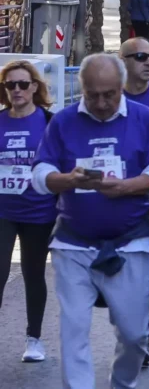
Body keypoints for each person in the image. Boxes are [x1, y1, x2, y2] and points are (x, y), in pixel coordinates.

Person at [31, 53, 149, 387]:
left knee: (135, 334)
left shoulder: (144, 117)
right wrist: (67, 180)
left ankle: (121, 383)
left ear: (122, 87)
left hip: (131, 243)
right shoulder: (63, 121)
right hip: (73, 244)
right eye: (92, 94)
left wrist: (126, 187)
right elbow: (39, 173)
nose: (101, 102)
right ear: (82, 88)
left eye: (109, 94)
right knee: (74, 328)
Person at [0, 60, 55, 362]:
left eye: (23, 84)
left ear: (35, 86)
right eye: (11, 85)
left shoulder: (49, 122)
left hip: (39, 211)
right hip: (3, 211)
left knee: (34, 274)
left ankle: (34, 339)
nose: (17, 90)